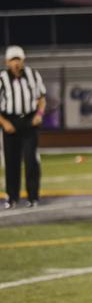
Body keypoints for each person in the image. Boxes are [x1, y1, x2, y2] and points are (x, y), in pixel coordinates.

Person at [0, 45, 47, 209]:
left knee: (31, 160)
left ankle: (33, 198)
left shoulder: (32, 75)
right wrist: (4, 122)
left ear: (23, 60)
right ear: (7, 61)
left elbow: (41, 97)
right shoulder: (2, 78)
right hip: (10, 122)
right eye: (12, 60)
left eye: (18, 59)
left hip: (28, 122)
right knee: (10, 162)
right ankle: (12, 198)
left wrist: (39, 113)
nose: (16, 63)